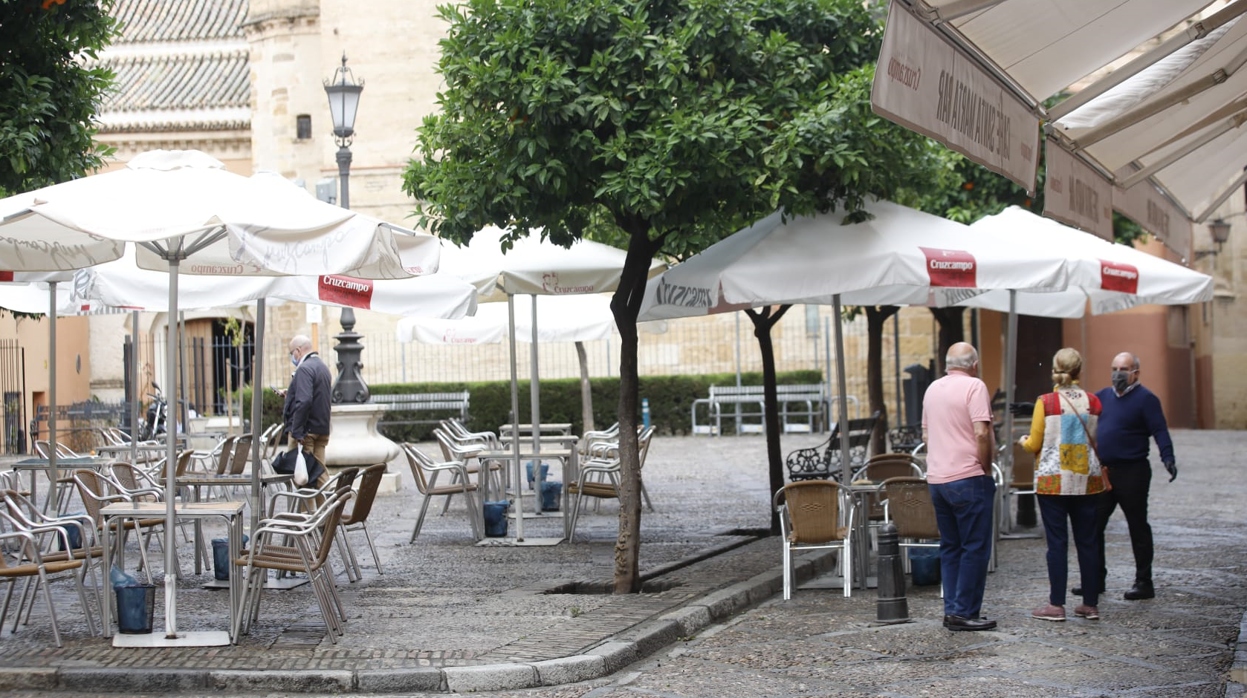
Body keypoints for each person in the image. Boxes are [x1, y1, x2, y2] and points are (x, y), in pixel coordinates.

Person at [1020, 347, 1107, 622]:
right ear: (1080, 371)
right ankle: (1090, 604)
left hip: (1052, 481)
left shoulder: (1044, 402)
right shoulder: (1094, 402)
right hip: (1086, 480)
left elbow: (1034, 443)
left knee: (1057, 543)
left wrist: (1023, 442)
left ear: (1054, 369)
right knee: (1088, 542)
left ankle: (1056, 605)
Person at [1080, 351, 1176, 602]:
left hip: (1133, 472)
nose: (1117, 374)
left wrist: (1168, 457)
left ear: (1136, 373)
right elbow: (1076, 411)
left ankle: (1144, 582)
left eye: (1123, 369)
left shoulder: (1147, 399)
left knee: (1137, 526)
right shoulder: (1101, 397)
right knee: (1092, 525)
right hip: (1104, 471)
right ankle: (1095, 579)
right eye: (1114, 368)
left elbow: (1160, 430)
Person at [922, 342, 997, 632]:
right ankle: (964, 611)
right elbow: (982, 432)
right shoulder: (975, 387)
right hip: (968, 476)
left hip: (938, 480)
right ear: (974, 364)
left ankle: (951, 609)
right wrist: (986, 467)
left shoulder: (932, 389)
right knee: (975, 547)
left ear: (946, 364)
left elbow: (926, 436)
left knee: (950, 547)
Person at [276, 334, 332, 488]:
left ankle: (306, 511)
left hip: (306, 430)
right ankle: (328, 508)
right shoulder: (322, 367)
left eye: (291, 353)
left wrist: (297, 432)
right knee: (320, 473)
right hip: (322, 428)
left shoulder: (304, 369)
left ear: (298, 351)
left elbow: (305, 400)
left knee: (302, 474)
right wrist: (291, 395)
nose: (291, 357)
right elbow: (317, 396)